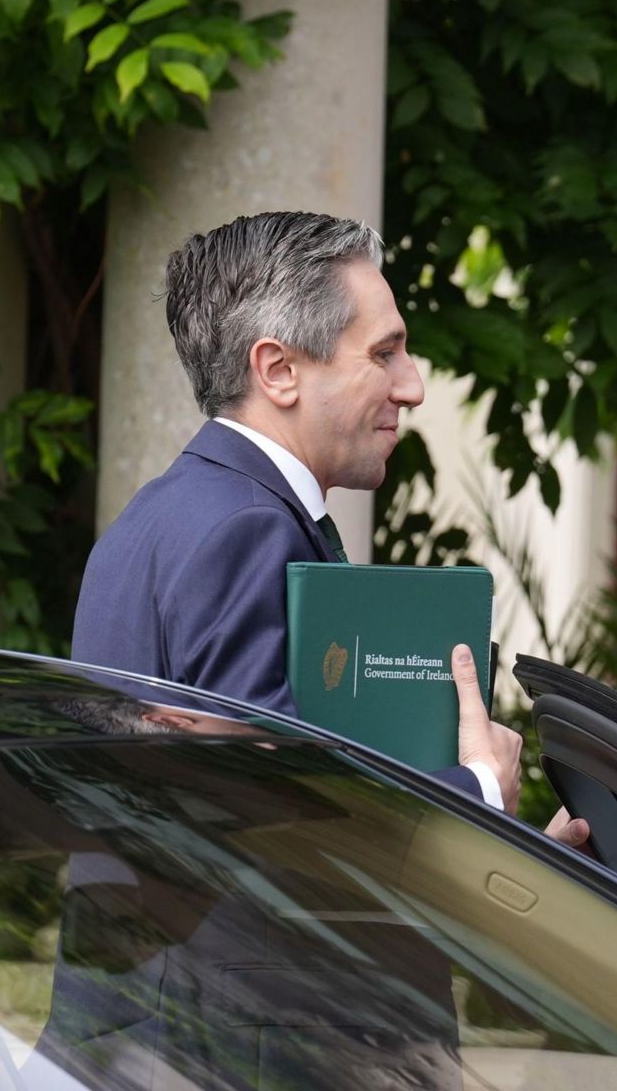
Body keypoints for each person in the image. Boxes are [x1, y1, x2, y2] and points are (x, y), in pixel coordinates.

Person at [71, 211, 583, 845]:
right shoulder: (247, 528)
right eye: (384, 353)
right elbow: (270, 797)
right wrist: (478, 791)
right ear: (278, 370)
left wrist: (533, 864)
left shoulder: (149, 518)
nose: (413, 386)